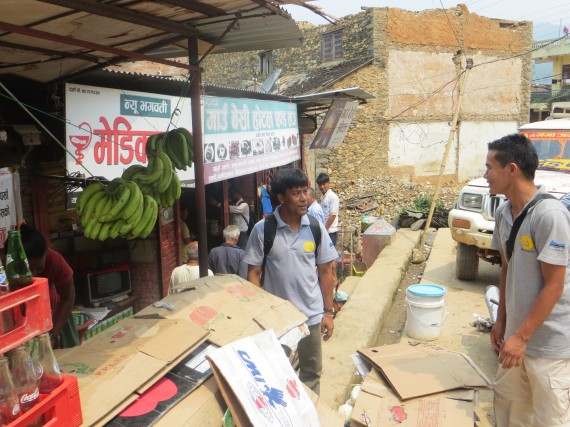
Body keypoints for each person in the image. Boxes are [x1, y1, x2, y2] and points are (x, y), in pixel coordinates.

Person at [486, 133, 570, 427]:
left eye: (489, 168)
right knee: (512, 415)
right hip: (514, 341)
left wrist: (521, 338)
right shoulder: (503, 212)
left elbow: (554, 285)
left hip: (548, 347)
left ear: (511, 170)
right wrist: (502, 321)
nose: (485, 176)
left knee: (550, 419)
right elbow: (507, 268)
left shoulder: (550, 215)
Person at [244, 168, 338, 394]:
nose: (304, 198)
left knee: (312, 373)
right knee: (277, 374)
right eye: (296, 193)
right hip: (278, 320)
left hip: (312, 316)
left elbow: (327, 271)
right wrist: (259, 314)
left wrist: (328, 312)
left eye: (305, 191)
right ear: (281, 198)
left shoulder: (315, 227)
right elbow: (253, 274)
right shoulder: (263, 230)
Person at [19, 224, 79, 349]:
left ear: (46, 254)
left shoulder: (55, 261)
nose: (33, 275)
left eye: (39, 268)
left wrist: (54, 335)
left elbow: (68, 296)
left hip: (55, 317)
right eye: (28, 270)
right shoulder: (3, 269)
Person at [316, 173, 340, 246]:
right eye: (320, 185)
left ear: (329, 183)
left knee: (330, 256)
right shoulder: (322, 197)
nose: (322, 187)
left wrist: (325, 229)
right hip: (324, 231)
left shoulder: (333, 197)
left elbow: (333, 215)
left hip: (330, 232)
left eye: (324, 184)